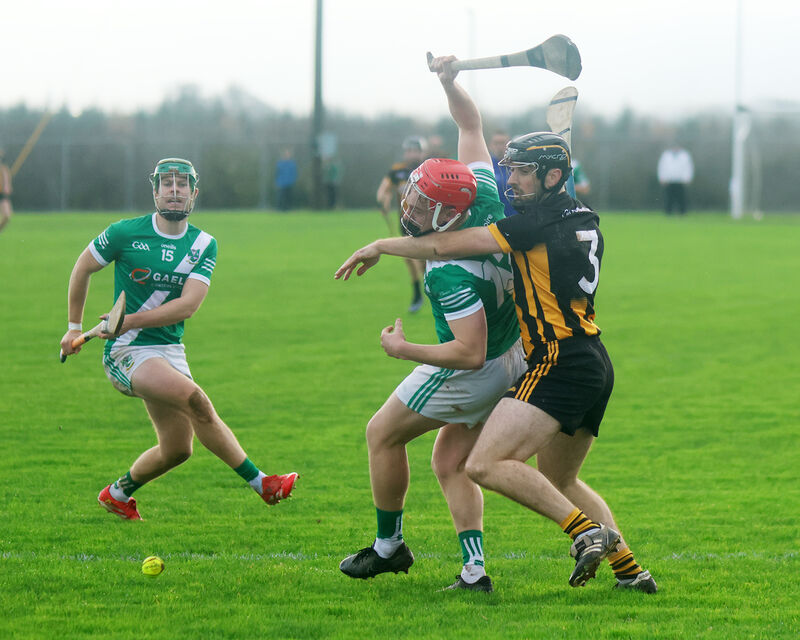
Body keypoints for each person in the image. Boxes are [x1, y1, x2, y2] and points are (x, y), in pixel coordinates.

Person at [336, 56, 657, 594]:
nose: (510, 178)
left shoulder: (524, 227)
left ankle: (581, 534)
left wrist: (380, 246)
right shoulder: (577, 216)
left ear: (553, 177)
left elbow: (442, 245)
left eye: (524, 172)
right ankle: (632, 571)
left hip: (554, 361)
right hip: (595, 361)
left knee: (484, 463)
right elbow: (471, 128)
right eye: (509, 169)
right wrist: (450, 81)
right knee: (562, 477)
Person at [338, 73, 526, 592]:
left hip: (481, 364)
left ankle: (388, 546)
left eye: (421, 206)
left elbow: (468, 352)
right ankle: (474, 570)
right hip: (515, 351)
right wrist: (450, 81)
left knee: (381, 433)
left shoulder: (447, 273)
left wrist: (404, 349)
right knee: (448, 461)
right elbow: (470, 122)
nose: (410, 209)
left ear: (448, 214)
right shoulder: (485, 193)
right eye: (412, 197)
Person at [59, 158, 298, 520]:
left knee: (177, 450)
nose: (174, 190)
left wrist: (127, 319)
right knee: (196, 401)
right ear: (155, 192)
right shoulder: (125, 233)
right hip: (128, 351)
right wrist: (74, 327)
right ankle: (263, 484)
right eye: (167, 184)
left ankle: (117, 494)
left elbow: (188, 306)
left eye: (182, 184)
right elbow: (83, 267)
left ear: (193, 194)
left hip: (169, 349)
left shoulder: (204, 244)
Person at [376, 136, 427, 313]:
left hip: (425, 223)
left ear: (421, 152)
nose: (412, 154)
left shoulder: (427, 169)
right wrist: (383, 200)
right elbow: (384, 190)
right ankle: (417, 294)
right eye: (409, 150)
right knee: (409, 259)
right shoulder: (397, 171)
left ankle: (431, 292)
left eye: (415, 150)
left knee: (421, 262)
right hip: (405, 222)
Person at [657, 143, 694, 215]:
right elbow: (662, 167)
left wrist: (687, 178)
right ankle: (668, 212)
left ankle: (682, 213)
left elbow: (688, 167)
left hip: (681, 180)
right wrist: (662, 178)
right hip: (669, 180)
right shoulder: (666, 155)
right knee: (669, 198)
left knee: (681, 198)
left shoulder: (685, 155)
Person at [488, 130, 516, 218]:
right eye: (496, 143)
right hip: (493, 220)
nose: (499, 147)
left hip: (515, 218)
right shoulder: (487, 166)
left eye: (503, 143)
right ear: (491, 145)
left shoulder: (517, 166)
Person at [0, 148, 13, 233]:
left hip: (2, 194)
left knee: (7, 216)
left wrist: (8, 186)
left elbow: (7, 181)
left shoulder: (4, 169)